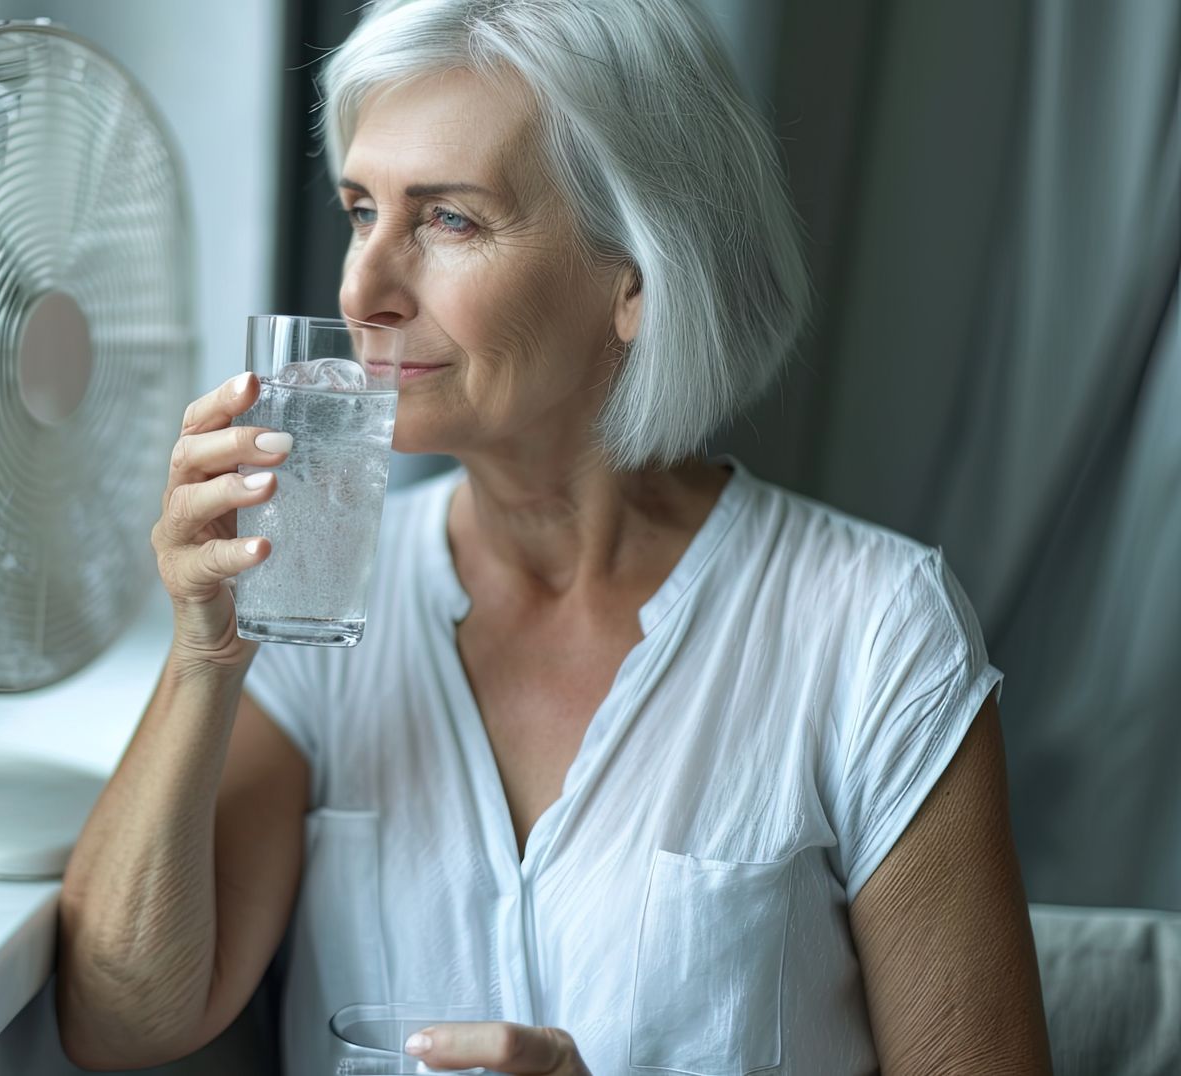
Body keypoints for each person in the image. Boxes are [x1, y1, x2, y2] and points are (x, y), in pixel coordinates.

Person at [56, 0, 1053, 1072]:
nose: (363, 288)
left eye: (449, 220)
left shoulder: (875, 627)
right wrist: (203, 655)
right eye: (360, 209)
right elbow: (122, 1019)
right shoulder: (318, 590)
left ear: (638, 276)